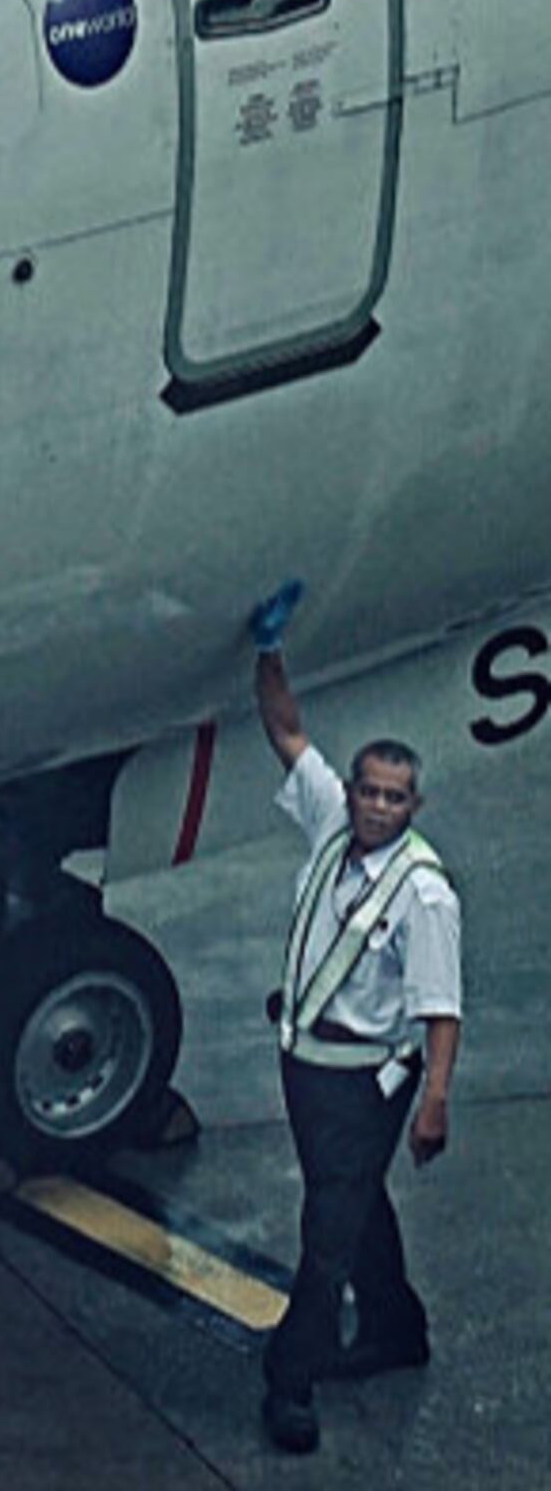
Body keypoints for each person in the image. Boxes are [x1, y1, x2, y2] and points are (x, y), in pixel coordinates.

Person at [244, 582, 463, 1456]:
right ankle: (395, 1326)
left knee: (327, 1229)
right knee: (353, 1196)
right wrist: (267, 651)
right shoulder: (330, 821)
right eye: (368, 791)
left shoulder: (425, 895)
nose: (374, 807)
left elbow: (440, 1009)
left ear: (415, 807)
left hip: (366, 1079)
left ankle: (291, 1377)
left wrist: (433, 1101)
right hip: (306, 1065)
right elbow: (285, 730)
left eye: (392, 798)